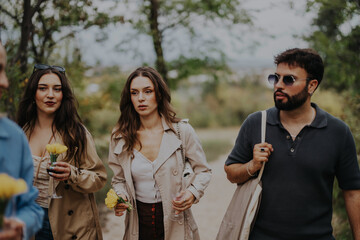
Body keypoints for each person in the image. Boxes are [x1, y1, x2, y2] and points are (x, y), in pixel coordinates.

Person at [224, 48, 360, 239]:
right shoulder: (256, 123)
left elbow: (353, 193)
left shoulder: (338, 132)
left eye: (289, 79)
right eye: (275, 78)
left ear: (311, 86)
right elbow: (231, 173)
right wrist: (251, 166)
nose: (279, 85)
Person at [108, 66, 211, 240]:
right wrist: (121, 197)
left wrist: (192, 192)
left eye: (148, 91)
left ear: (159, 94)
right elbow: (119, 180)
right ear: (129, 97)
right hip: (138, 225)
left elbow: (203, 171)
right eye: (134, 93)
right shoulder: (120, 137)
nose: (141, 98)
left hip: (177, 223)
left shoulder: (182, 131)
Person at [16, 63, 107, 240]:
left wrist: (71, 174)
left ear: (63, 95)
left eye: (57, 89)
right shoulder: (21, 132)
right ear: (33, 94)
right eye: (43, 88)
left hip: (68, 226)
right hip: (29, 221)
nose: (50, 95)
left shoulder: (77, 134)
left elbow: (99, 178)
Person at [0, 43, 44, 240]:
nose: (5, 82)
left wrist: (21, 225)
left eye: (3, 70)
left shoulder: (15, 138)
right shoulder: (25, 131)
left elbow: (29, 207)